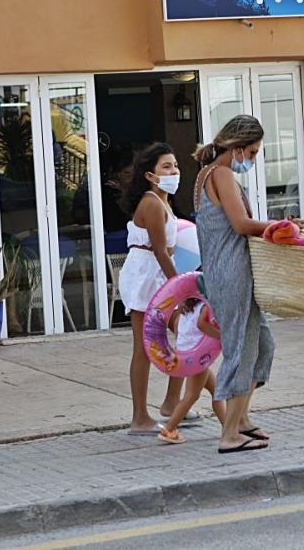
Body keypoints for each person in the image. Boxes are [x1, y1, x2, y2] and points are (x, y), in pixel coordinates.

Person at [193, 115, 304, 454]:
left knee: (263, 345)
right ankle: (229, 432)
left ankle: (241, 419)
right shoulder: (222, 173)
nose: (253, 160)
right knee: (241, 347)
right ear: (237, 148)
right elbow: (241, 224)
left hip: (229, 271)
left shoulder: (206, 174)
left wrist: (280, 226)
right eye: (253, 153)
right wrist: (279, 226)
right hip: (230, 272)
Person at [119, 143, 192, 435]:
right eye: (166, 167)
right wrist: (182, 290)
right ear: (150, 174)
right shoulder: (151, 203)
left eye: (175, 165)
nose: (174, 171)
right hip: (147, 277)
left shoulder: (164, 202)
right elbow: (161, 252)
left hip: (158, 275)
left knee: (187, 334)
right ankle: (140, 416)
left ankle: (173, 403)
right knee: (144, 347)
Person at [158, 300, 226, 445]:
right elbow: (202, 324)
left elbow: (177, 329)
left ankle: (228, 428)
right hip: (197, 359)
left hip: (185, 356)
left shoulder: (185, 308)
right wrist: (222, 336)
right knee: (191, 395)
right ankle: (169, 429)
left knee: (217, 391)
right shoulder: (205, 306)